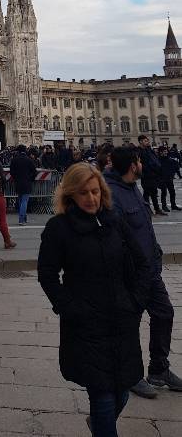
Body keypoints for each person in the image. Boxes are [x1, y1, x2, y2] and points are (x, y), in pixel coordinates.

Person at [38, 163, 150, 437]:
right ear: (71, 195)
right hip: (86, 324)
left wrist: (136, 302)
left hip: (121, 321)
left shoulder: (115, 221)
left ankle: (100, 422)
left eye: (95, 191)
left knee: (122, 392)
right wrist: (69, 308)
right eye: (84, 193)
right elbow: (47, 273)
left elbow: (142, 263)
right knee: (102, 396)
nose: (91, 198)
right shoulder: (59, 228)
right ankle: (103, 425)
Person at [105, 146, 182, 398]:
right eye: (139, 160)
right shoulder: (112, 194)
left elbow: (143, 227)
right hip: (130, 274)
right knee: (129, 324)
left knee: (164, 312)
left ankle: (159, 369)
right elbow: (114, 238)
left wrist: (156, 253)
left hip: (150, 269)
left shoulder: (132, 188)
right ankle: (131, 375)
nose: (142, 164)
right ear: (132, 165)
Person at [9, 144, 37, 225]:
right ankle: (21, 220)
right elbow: (34, 172)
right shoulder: (29, 160)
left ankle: (24, 218)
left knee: (21, 200)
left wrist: (16, 178)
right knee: (24, 201)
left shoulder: (14, 160)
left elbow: (12, 172)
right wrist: (30, 178)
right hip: (27, 182)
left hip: (18, 182)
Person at [138, 135, 164, 216]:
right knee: (146, 193)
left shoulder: (149, 150)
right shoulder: (139, 151)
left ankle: (157, 209)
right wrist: (147, 169)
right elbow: (140, 163)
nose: (147, 142)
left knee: (154, 193)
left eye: (147, 141)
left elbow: (155, 159)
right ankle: (147, 210)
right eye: (145, 141)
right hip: (146, 175)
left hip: (153, 174)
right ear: (141, 141)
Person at [157, 145, 181, 212]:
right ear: (160, 152)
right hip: (162, 179)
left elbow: (174, 166)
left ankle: (173, 205)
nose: (166, 152)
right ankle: (164, 206)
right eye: (164, 151)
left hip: (169, 178)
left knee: (172, 192)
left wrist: (172, 174)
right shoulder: (158, 160)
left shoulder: (169, 159)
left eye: (166, 151)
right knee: (164, 193)